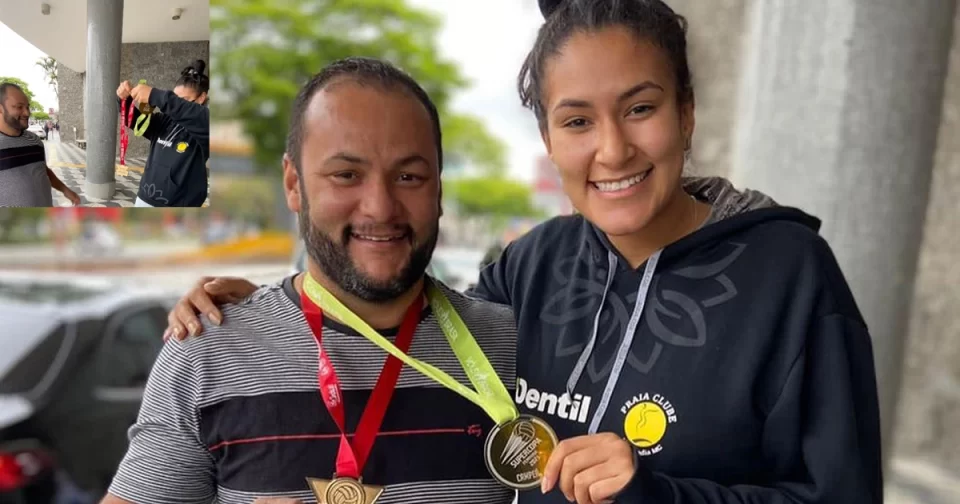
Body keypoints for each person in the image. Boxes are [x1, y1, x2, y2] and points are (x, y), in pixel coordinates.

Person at [167, 1, 883, 503]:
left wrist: (654, 495)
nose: (612, 150)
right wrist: (276, 304)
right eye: (577, 120)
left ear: (686, 113)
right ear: (548, 139)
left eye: (641, 108)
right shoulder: (533, 266)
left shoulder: (789, 277)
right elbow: (418, 333)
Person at [101, 57, 517, 504]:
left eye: (408, 176)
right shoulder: (207, 349)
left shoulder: (513, 347)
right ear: (294, 184)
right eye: (346, 175)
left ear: (438, 189)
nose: (379, 207)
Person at [116, 59, 210, 207]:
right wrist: (124, 99)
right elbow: (134, 122)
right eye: (175, 97)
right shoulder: (164, 120)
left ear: (201, 98)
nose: (175, 104)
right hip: (144, 197)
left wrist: (156, 95)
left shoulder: (205, 126)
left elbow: (202, 118)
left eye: (183, 100)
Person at [0, 82, 80, 207]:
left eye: (27, 107)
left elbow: (43, 170)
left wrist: (65, 190)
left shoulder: (35, 140)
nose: (27, 113)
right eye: (19, 107)